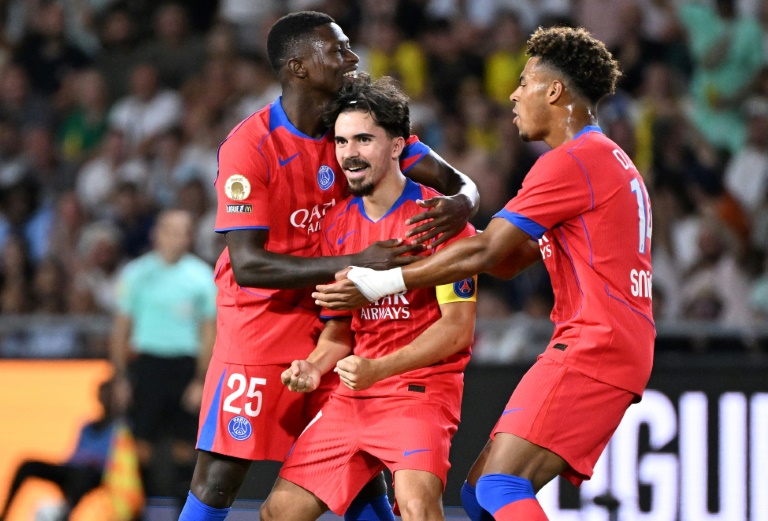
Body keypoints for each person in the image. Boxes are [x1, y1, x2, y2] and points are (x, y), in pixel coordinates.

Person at [313, 26, 655, 521]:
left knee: (500, 485)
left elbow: (486, 251)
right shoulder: (607, 159)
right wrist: (456, 223)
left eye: (524, 82)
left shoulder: (572, 161)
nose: (514, 94)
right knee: (478, 493)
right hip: (612, 341)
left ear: (554, 91)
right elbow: (508, 260)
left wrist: (382, 281)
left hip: (594, 343)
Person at [178, 11, 479, 521]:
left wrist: (463, 205)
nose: (352, 58)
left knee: (358, 470)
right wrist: (358, 264)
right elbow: (248, 265)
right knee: (222, 473)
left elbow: (458, 184)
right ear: (298, 67)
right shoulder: (250, 146)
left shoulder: (357, 124)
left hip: (341, 315)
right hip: (264, 319)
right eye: (337, 49)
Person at [260, 73, 477, 521]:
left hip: (420, 390)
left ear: (397, 146)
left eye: (363, 139)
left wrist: (379, 368)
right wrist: (313, 366)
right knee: (277, 513)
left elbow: (457, 330)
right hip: (354, 394)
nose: (349, 153)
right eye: (341, 142)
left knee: (418, 507)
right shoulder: (335, 225)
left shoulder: (439, 219)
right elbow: (338, 331)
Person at [110, 209, 217, 502]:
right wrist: (120, 377)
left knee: (185, 448)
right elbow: (121, 330)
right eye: (171, 230)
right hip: (147, 366)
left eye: (184, 232)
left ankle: (183, 515)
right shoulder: (136, 274)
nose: (177, 238)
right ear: (156, 234)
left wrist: (201, 380)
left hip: (184, 368)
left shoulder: (201, 276)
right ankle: (141, 511)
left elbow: (209, 332)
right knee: (141, 445)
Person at [0, 379, 120, 521]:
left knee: (83, 476)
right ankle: (4, 514)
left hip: (96, 474)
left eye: (109, 395)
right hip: (72, 469)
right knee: (27, 465)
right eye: (103, 394)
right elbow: (73, 456)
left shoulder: (120, 428)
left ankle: (64, 516)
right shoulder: (86, 426)